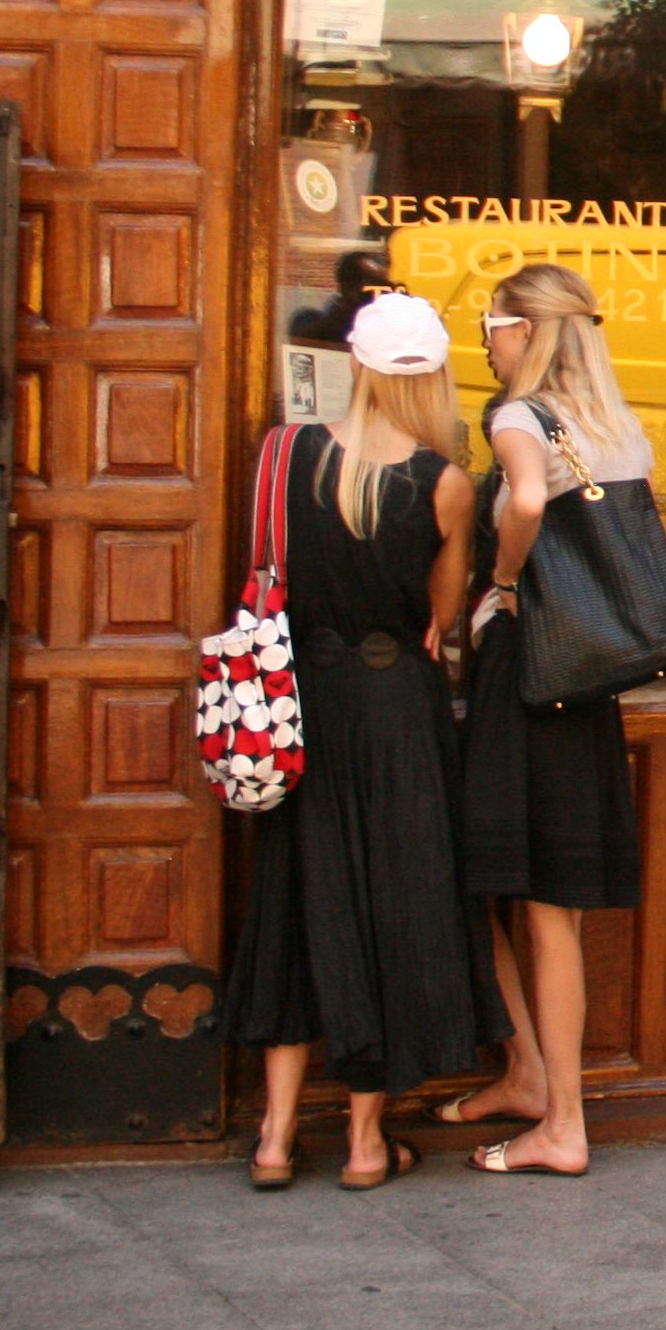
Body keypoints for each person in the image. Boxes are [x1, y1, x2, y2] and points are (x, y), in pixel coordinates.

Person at [223, 291, 506, 1191]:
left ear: (355, 364)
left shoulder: (286, 454)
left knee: (297, 908)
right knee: (388, 910)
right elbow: (440, 616)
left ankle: (274, 1139)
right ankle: (363, 1143)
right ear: (436, 377)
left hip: (301, 704)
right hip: (396, 714)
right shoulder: (443, 483)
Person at [447, 262, 651, 1176]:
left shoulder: (518, 418)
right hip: (582, 684)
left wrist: (498, 581)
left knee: (536, 903)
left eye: (491, 324)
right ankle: (529, 1074)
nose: (485, 341)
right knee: (527, 891)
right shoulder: (614, 424)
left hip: (528, 676)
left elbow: (526, 500)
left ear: (526, 331)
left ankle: (562, 1121)